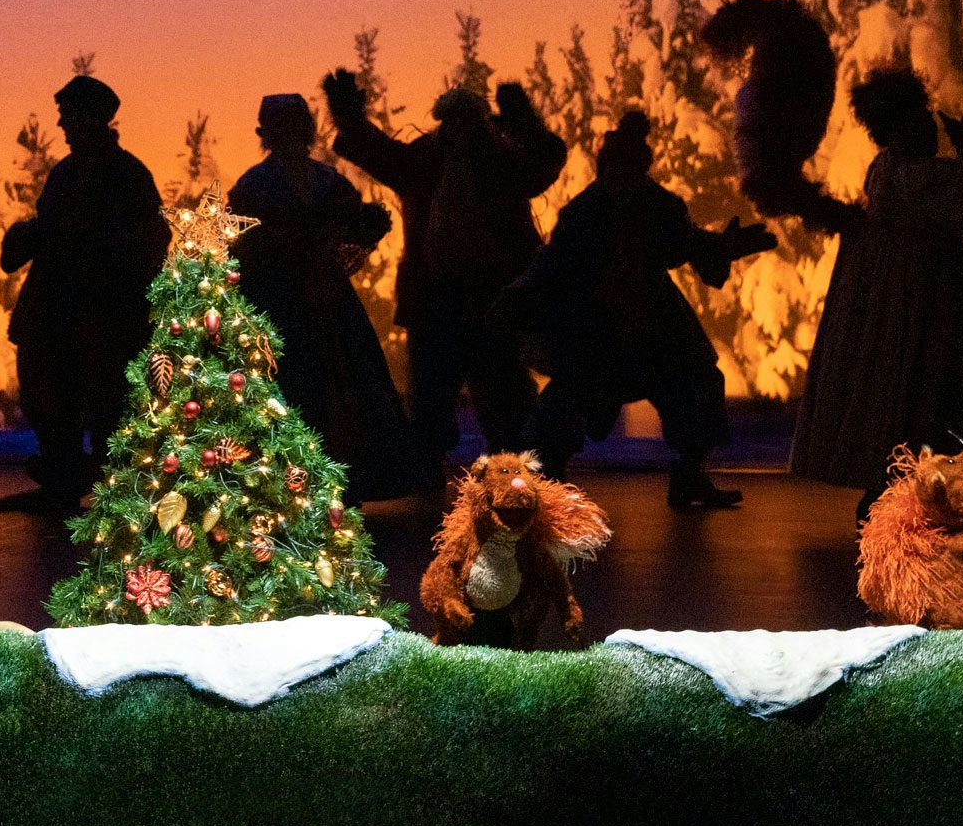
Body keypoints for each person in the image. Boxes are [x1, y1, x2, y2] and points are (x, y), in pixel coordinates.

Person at [491, 111, 777, 508]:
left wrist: (720, 248)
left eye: (632, 166)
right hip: (593, 328)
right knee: (564, 399)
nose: (625, 177)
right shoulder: (582, 215)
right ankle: (543, 477)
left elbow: (688, 244)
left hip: (656, 327)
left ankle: (690, 475)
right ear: (606, 166)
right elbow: (553, 262)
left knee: (697, 382)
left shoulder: (661, 207)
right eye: (618, 165)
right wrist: (520, 296)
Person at [790, 68, 963, 523]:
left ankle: (912, 489)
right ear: (899, 127)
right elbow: (953, 212)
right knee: (922, 393)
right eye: (918, 120)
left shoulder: (893, 172)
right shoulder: (908, 175)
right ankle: (901, 492)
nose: (929, 129)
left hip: (924, 305)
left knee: (923, 395)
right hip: (924, 307)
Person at [322, 71, 567, 482]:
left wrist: (350, 119)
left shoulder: (496, 160)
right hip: (447, 297)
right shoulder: (472, 159)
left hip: (488, 297)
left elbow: (543, 162)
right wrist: (349, 119)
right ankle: (442, 469)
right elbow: (381, 154)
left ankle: (507, 470)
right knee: (438, 394)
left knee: (495, 392)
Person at [227, 93, 423, 502]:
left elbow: (352, 225)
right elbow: (242, 247)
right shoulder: (254, 187)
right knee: (294, 387)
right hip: (279, 304)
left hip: (326, 304)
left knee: (341, 383)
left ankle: (343, 479)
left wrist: (359, 228)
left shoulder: (324, 182)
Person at [0, 75, 169, 514]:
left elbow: (148, 238)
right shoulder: (66, 173)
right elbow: (51, 227)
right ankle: (60, 477)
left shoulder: (126, 174)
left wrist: (94, 254)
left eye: (68, 115)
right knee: (50, 394)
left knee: (108, 399)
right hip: (57, 308)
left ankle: (116, 486)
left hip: (104, 312)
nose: (61, 124)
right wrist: (31, 238)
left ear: (92, 117)